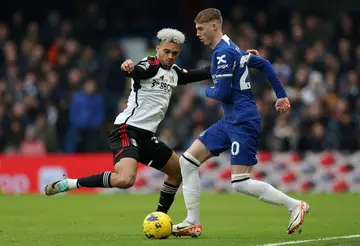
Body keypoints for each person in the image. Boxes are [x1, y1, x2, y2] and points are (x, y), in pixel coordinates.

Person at [172, 8, 310, 238]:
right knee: (187, 162)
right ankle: (192, 222)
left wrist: (202, 90)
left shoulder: (224, 52)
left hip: (243, 121)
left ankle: (295, 205)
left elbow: (223, 93)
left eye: (200, 28)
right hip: (230, 120)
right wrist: (281, 95)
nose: (197, 34)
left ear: (214, 25)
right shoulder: (231, 48)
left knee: (240, 182)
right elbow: (264, 63)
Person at [44, 28, 212, 215]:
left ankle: (159, 217)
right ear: (157, 49)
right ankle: (72, 183)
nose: (170, 56)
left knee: (178, 172)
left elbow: (203, 72)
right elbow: (139, 71)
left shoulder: (175, 73)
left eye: (175, 53)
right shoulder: (150, 65)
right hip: (127, 130)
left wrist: (235, 62)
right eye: (167, 51)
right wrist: (129, 68)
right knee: (126, 180)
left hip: (146, 137)